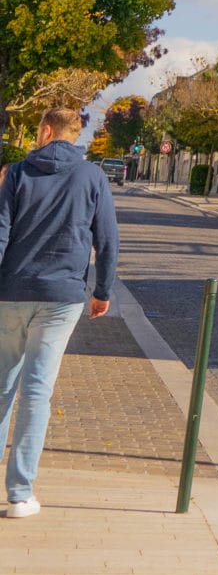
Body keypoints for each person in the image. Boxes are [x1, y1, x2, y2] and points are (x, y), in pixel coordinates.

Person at [0, 105, 119, 517]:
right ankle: (19, 493)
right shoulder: (93, 177)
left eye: (38, 130)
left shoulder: (16, 174)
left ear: (47, 130)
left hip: (11, 291)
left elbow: (0, 231)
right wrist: (102, 291)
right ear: (73, 134)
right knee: (37, 392)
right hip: (62, 296)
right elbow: (106, 239)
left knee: (2, 388)